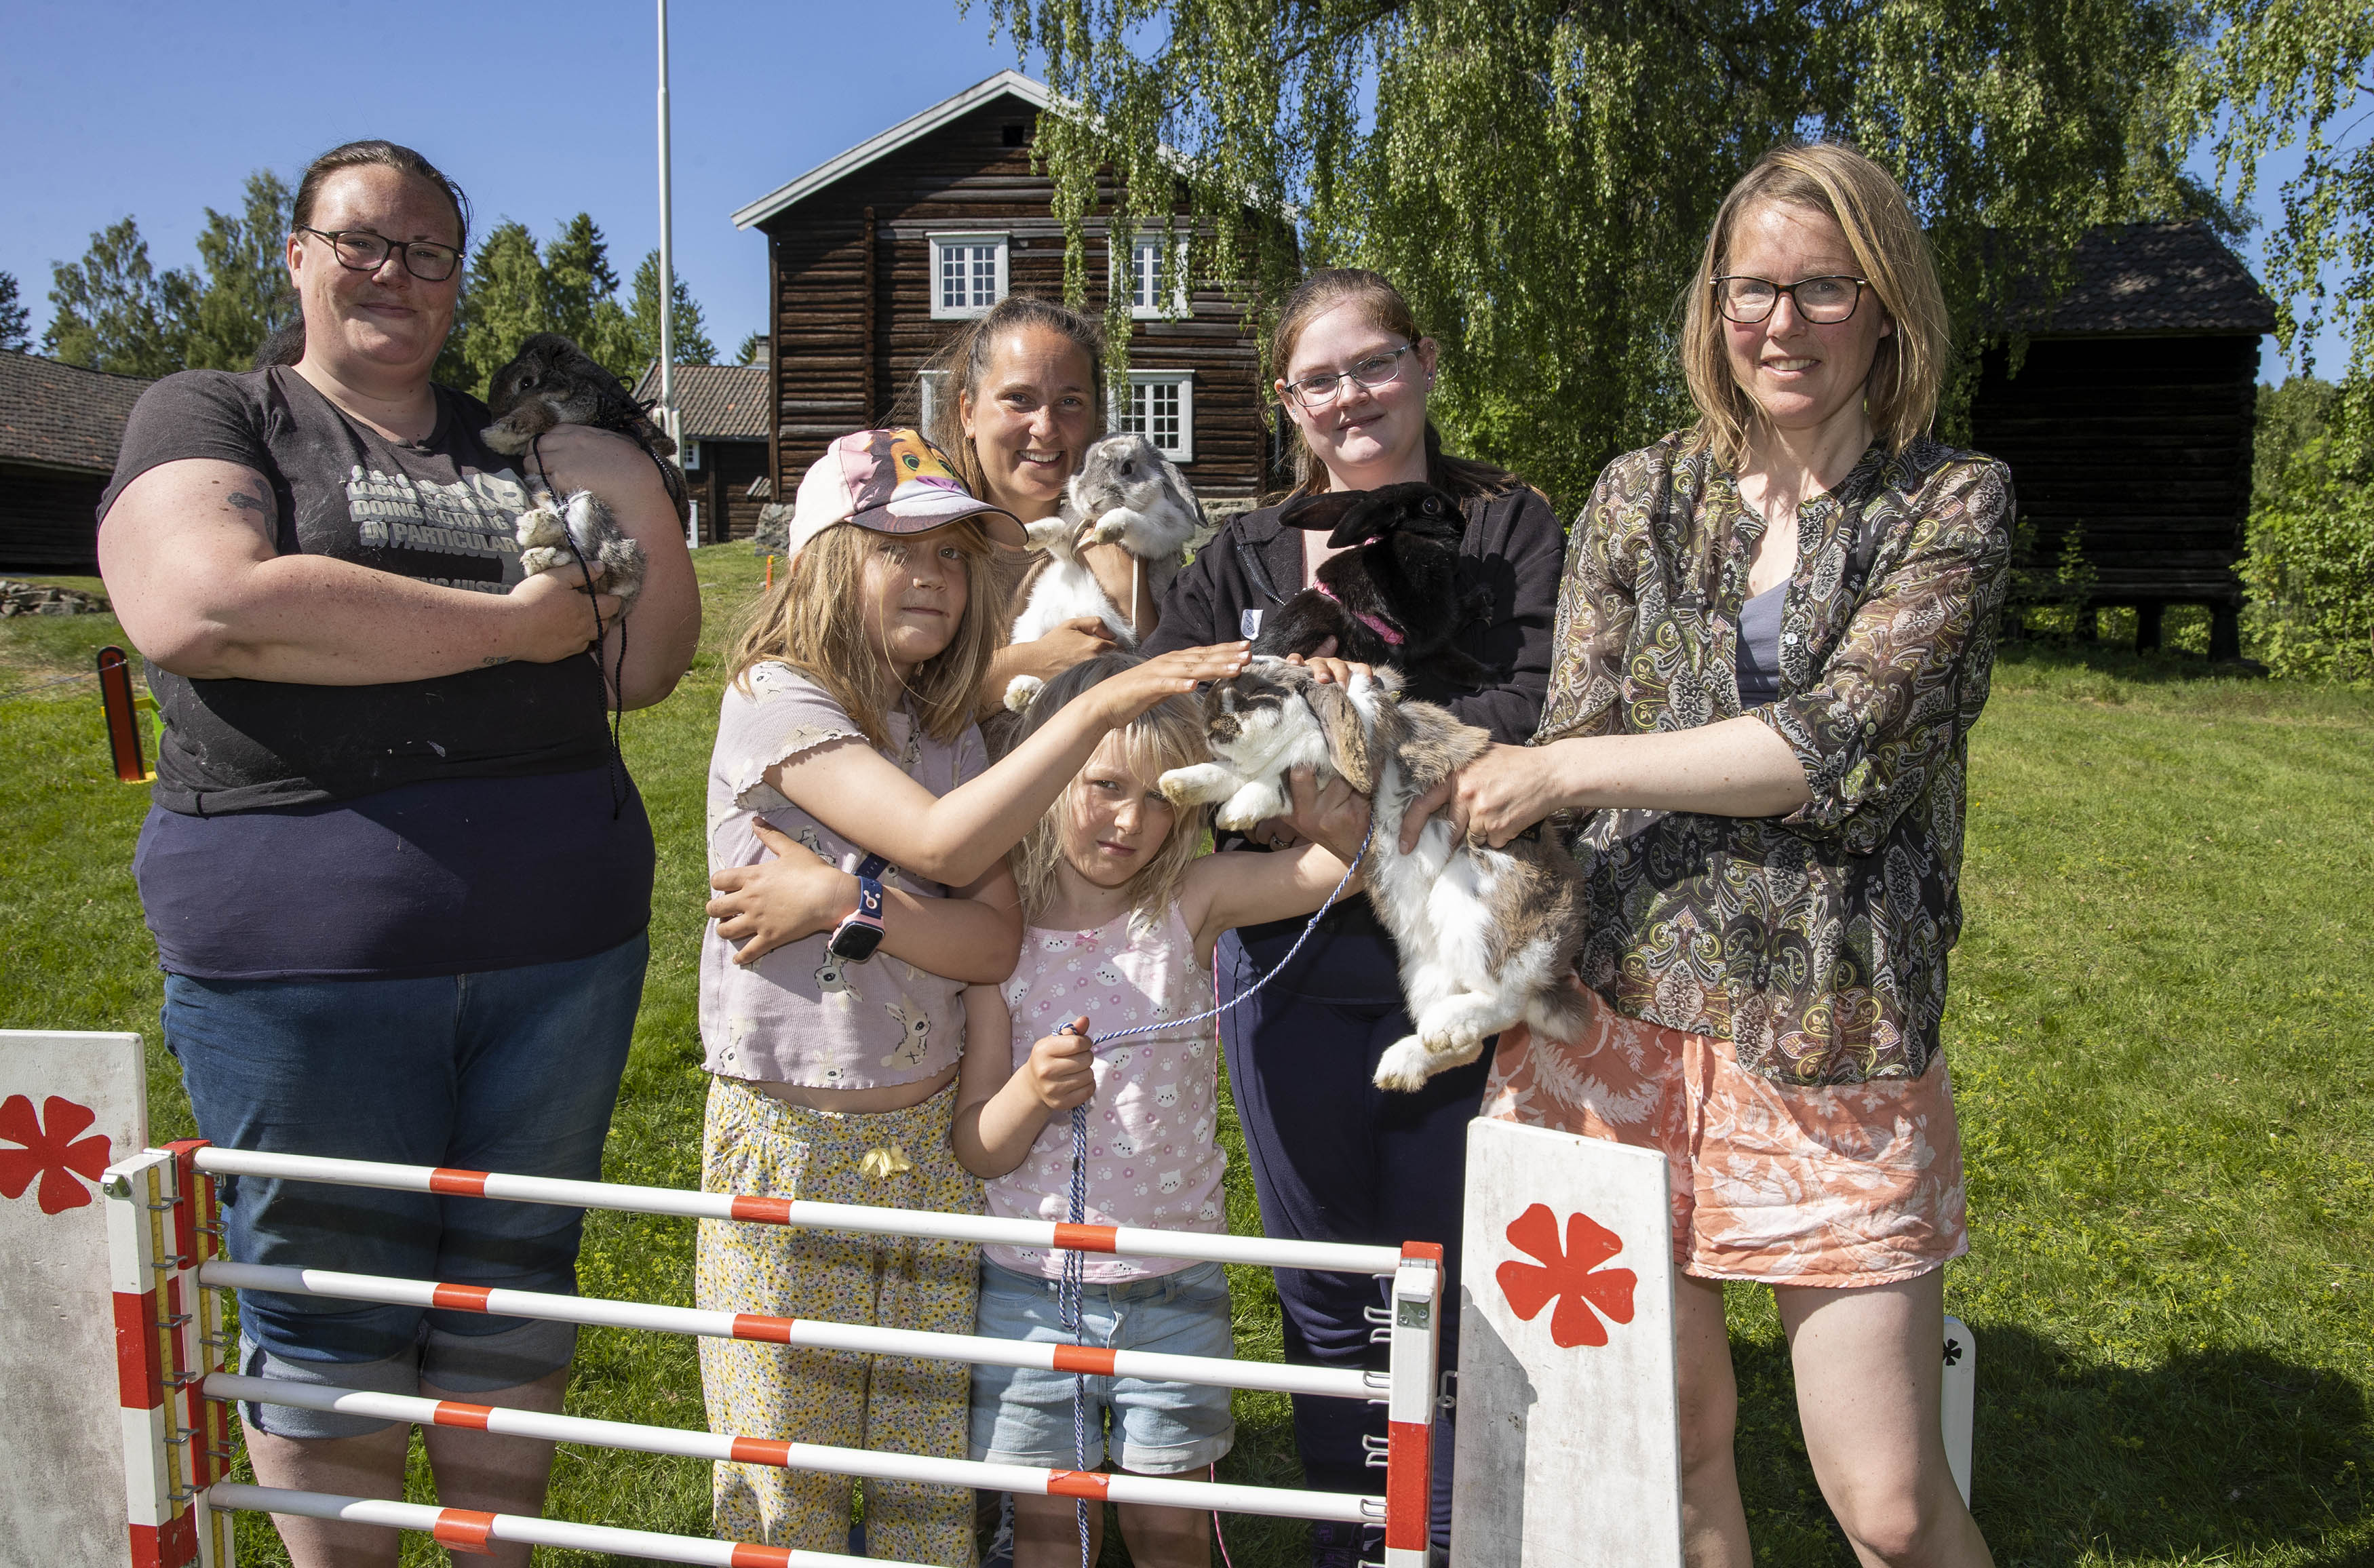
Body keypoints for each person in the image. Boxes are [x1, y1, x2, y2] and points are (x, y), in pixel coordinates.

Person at [1397, 142, 2010, 1567]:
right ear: (1713, 306)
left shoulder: (1951, 504)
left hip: (1828, 1033)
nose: (1782, 324)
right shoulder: (1637, 494)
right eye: (1754, 290)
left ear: (1887, 305)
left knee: (1891, 1504)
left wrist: (1562, 768)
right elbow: (1578, 721)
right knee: (1662, 1457)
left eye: (1821, 288)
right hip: (1610, 1029)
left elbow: (1832, 746)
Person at [94, 140, 700, 1568]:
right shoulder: (218, 412)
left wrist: (610, 469)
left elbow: (650, 660)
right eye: (361, 241)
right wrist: (507, 626)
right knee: (325, 1304)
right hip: (303, 955)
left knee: (513, 1287)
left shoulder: (531, 440)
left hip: (564, 953)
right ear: (296, 254)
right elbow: (209, 606)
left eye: (430, 252)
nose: (395, 272)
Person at [694, 429, 1247, 1563]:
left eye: (956, 558)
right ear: (824, 559)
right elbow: (944, 843)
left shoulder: (947, 734)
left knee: (921, 1474)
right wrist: (1094, 706)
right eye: (907, 552)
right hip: (790, 1137)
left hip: (928, 1135)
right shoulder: (774, 694)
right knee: (783, 1459)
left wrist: (842, 901)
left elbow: (993, 936)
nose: (941, 581)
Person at [1140, 267, 1567, 1563]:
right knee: (1326, 1288)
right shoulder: (1242, 554)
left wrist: (1323, 778)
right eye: (1320, 378)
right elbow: (1181, 713)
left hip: (1459, 953)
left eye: (1373, 363)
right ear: (1286, 401)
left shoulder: (1506, 524)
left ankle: (1435, 1540)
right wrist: (1306, 783)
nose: (1352, 396)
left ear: (1426, 363)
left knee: (1444, 1289)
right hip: (1289, 969)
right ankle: (1348, 1540)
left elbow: (1534, 717)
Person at [952, 653, 1359, 1568]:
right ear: (1049, 771)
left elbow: (1349, 863)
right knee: (1052, 1526)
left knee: (1169, 1526)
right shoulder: (997, 935)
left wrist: (1298, 748)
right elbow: (978, 1147)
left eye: (1164, 795)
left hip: (1176, 1278)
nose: (1132, 820)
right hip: (1028, 1288)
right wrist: (1029, 1092)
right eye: (1104, 787)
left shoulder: (1194, 896)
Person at [920, 294, 1159, 710]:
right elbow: (894, 701)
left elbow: (1171, 694)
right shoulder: (917, 539)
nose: (1045, 429)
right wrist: (1035, 659)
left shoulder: (1135, 536)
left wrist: (1125, 589)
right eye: (1019, 399)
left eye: (1070, 402)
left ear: (1097, 420)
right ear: (968, 413)